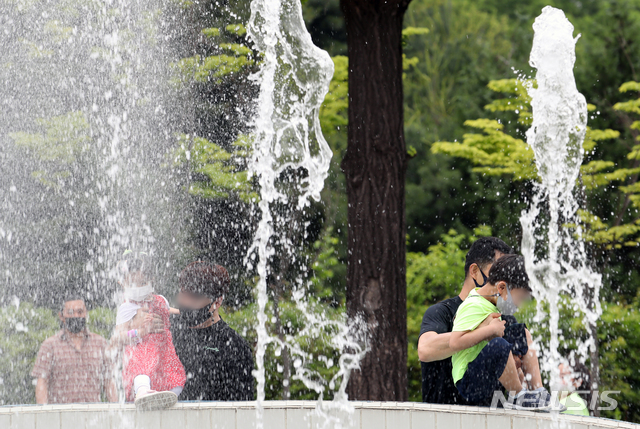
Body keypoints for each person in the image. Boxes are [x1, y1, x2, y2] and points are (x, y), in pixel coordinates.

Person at [417, 237, 513, 404]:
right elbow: (425, 349)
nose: (504, 280)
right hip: (443, 419)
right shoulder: (442, 312)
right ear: (475, 271)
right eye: (498, 271)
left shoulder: (502, 318)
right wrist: (480, 330)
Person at [449, 254, 552, 410]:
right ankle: (517, 396)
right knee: (499, 345)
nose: (520, 305)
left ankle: (538, 391)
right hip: (469, 382)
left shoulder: (493, 304)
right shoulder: (472, 305)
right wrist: (490, 330)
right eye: (521, 298)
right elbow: (454, 342)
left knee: (522, 333)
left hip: (487, 375)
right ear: (501, 287)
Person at [112, 251, 186, 411]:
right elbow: (118, 337)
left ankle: (171, 393)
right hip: (141, 349)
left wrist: (187, 313)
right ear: (122, 283)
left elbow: (171, 310)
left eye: (143, 282)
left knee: (174, 375)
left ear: (151, 280)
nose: (138, 288)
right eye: (133, 284)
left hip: (163, 349)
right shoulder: (126, 308)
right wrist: (140, 332)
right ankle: (142, 391)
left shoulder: (160, 300)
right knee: (141, 370)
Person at [171, 261, 254, 401]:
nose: (187, 302)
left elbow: (241, 409)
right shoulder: (167, 329)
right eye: (184, 293)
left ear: (217, 301)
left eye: (196, 297)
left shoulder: (233, 345)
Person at [32, 296, 117, 404]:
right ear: (61, 316)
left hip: (93, 415)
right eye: (71, 312)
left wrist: (116, 408)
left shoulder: (100, 344)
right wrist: (43, 413)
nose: (76, 316)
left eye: (80, 312)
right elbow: (42, 382)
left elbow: (109, 381)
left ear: (86, 313)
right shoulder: (50, 346)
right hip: (61, 415)